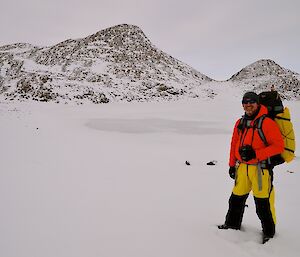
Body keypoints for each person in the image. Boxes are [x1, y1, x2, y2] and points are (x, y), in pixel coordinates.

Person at [218, 91, 284, 244]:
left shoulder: (267, 122)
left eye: (251, 102)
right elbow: (234, 144)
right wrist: (231, 165)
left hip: (260, 170)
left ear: (257, 103)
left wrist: (256, 154)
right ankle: (232, 225)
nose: (248, 105)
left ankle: (269, 233)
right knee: (235, 200)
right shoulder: (239, 123)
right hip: (242, 168)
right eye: (245, 102)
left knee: (262, 204)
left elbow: (278, 146)